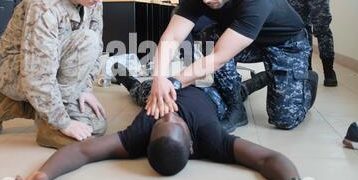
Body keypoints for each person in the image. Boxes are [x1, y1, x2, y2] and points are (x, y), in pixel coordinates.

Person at [15, 83, 320, 180]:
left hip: (160, 87)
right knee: (234, 95)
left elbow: (82, 151)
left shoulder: (139, 134)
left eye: (165, 119)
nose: (170, 112)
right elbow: (267, 158)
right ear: (192, 145)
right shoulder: (212, 140)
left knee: (143, 90)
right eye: (170, 120)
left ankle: (131, 80)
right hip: (205, 94)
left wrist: (42, 175)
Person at [145, 0, 319, 131]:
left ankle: (307, 82)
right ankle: (236, 106)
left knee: (284, 120)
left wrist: (174, 82)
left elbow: (219, 57)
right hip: (250, 42)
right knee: (211, 36)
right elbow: (171, 37)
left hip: (286, 45)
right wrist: (158, 77)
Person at [0, 0, 112, 149]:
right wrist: (63, 123)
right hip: (17, 72)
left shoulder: (93, 0)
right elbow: (37, 76)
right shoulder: (43, 6)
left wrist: (84, 88)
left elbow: (96, 47)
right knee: (87, 39)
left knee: (96, 125)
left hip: (53, 70)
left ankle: (16, 106)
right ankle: (47, 127)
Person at [111, 63, 269, 133]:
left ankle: (124, 75)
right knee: (236, 93)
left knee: (141, 91)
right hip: (208, 98)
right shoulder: (207, 130)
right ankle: (268, 76)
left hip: (166, 94)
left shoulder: (143, 128)